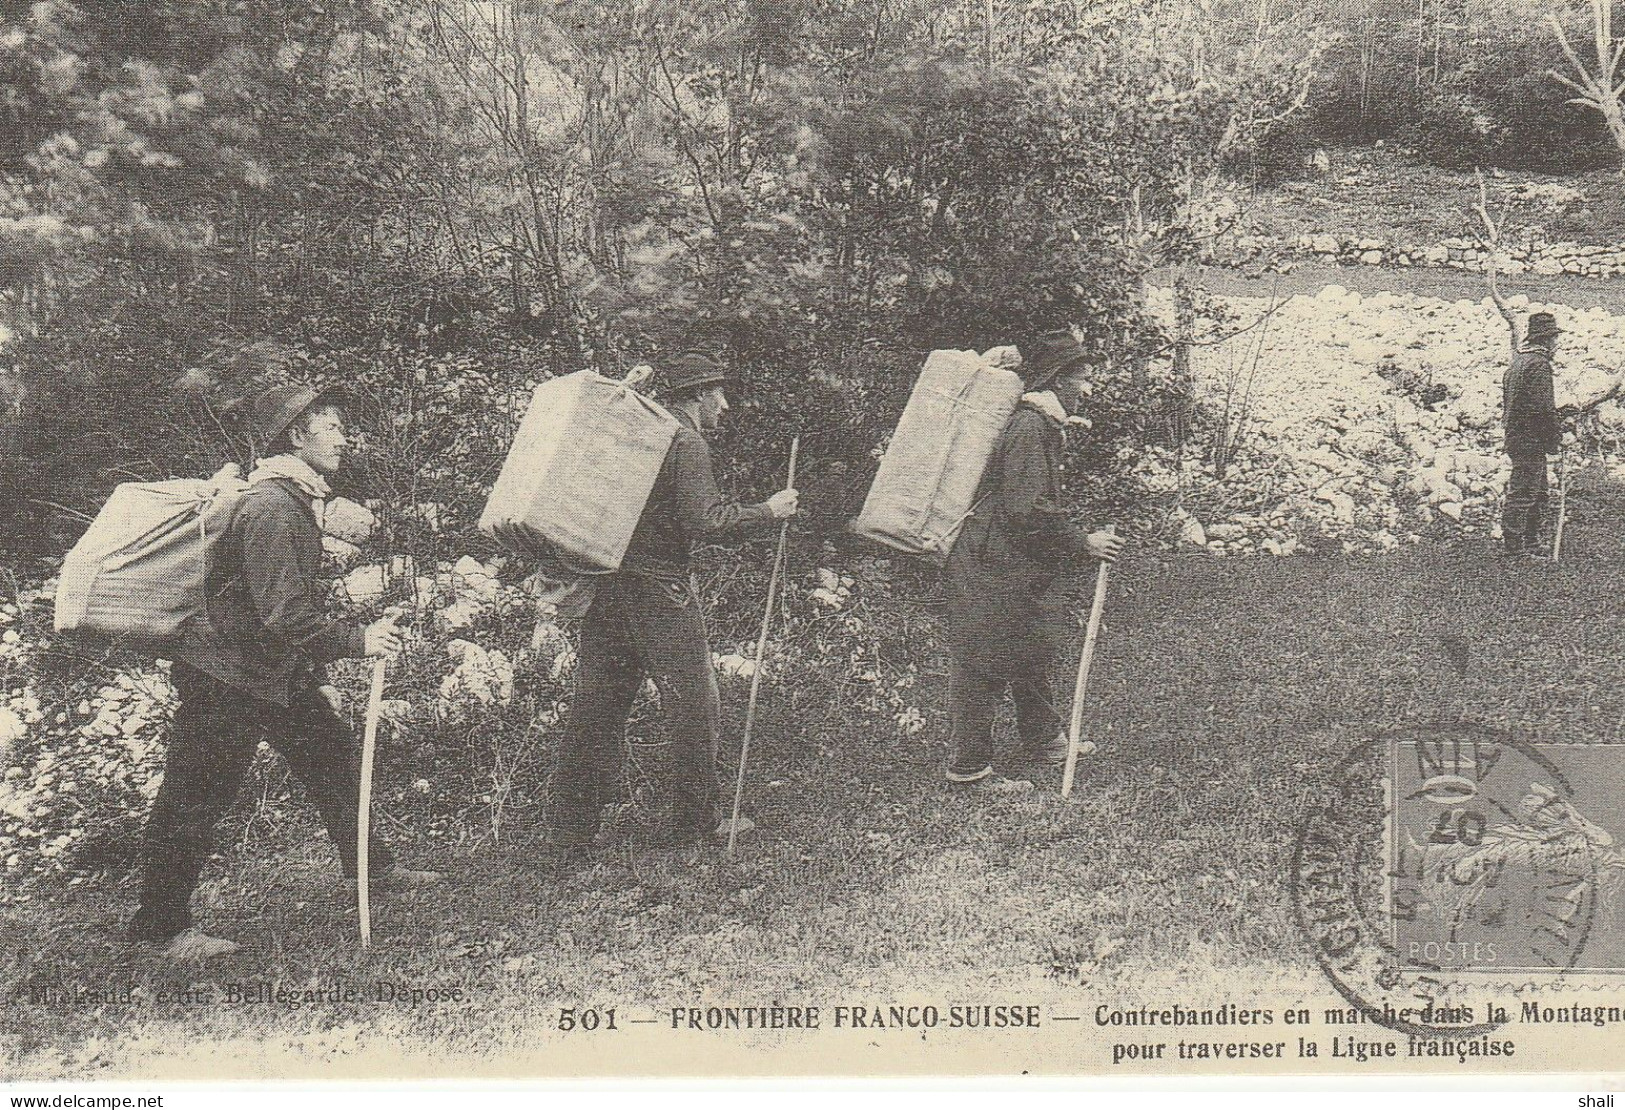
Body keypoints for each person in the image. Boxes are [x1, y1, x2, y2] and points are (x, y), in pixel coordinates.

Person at [130, 382, 439, 960]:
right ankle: (160, 928)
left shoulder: (294, 499)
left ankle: (372, 870)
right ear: (298, 436)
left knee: (334, 760)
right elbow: (284, 613)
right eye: (333, 427)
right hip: (227, 679)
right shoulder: (274, 506)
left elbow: (273, 609)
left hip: (269, 673)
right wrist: (359, 639)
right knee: (194, 798)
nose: (345, 439)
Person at [545, 350, 798, 857]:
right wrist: (769, 510)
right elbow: (707, 521)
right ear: (699, 395)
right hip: (660, 593)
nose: (725, 405)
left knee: (599, 706)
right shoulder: (685, 441)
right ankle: (693, 824)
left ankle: (568, 833)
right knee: (694, 705)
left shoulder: (642, 434)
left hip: (607, 586)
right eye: (719, 393)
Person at [943, 328, 1124, 795]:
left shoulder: (1043, 423)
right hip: (990, 565)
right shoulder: (1029, 426)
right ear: (1058, 380)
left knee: (1031, 649)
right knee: (984, 661)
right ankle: (969, 770)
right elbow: (1025, 509)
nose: (1088, 389)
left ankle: (1044, 740)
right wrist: (1082, 542)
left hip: (1011, 562)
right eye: (1083, 378)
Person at [1501, 311, 1561, 557]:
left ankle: (1531, 542)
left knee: (1536, 491)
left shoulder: (1517, 363)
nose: (1557, 344)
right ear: (1546, 340)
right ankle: (1515, 547)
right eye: (1554, 339)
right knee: (1525, 492)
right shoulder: (1539, 365)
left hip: (1517, 435)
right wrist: (1554, 438)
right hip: (1530, 438)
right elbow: (1543, 409)